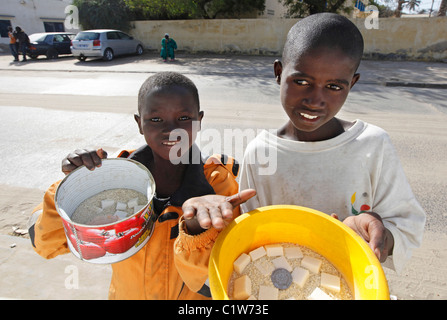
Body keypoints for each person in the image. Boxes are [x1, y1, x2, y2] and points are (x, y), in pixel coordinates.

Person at [180, 13, 426, 275]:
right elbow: (251, 235)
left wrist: (379, 233)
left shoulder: (372, 145)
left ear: (351, 84)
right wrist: (204, 223)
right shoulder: (261, 152)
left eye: (333, 86)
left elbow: (407, 227)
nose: (314, 99)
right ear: (278, 73)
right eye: (301, 81)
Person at [28, 72, 248, 300]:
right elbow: (45, 245)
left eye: (183, 118)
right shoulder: (110, 179)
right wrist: (73, 188)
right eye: (155, 119)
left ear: (199, 120)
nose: (172, 130)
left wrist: (197, 231)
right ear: (139, 123)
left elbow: (219, 282)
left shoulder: (218, 184)